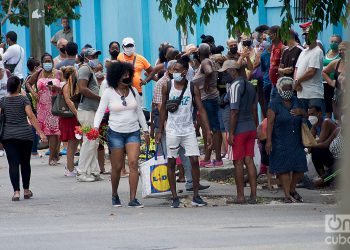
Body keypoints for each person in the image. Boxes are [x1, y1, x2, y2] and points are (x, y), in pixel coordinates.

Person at [156, 56, 213, 208]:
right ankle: (174, 197)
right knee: (172, 162)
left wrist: (208, 131)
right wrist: (159, 130)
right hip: (173, 130)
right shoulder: (167, 86)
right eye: (173, 70)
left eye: (178, 70)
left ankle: (196, 195)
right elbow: (162, 111)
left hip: (188, 129)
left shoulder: (192, 87)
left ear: (185, 71)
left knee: (194, 161)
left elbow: (201, 109)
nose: (175, 72)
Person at [94, 61, 149, 207]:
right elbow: (100, 111)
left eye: (128, 74)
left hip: (133, 132)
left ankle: (132, 198)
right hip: (115, 133)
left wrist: (146, 130)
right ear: (115, 76)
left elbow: (139, 112)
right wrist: (95, 127)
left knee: (133, 163)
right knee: (117, 167)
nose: (126, 77)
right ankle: (114, 194)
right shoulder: (108, 92)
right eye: (123, 74)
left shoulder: (133, 91)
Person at [1, 76, 47, 201]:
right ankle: (26, 191)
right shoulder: (24, 99)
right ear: (18, 87)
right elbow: (31, 116)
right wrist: (41, 133)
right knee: (25, 163)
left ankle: (16, 192)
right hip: (25, 135)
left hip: (8, 136)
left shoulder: (3, 101)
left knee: (13, 164)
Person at [219, 60, 258, 204]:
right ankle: (253, 196)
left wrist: (231, 133)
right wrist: (256, 127)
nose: (224, 75)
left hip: (239, 129)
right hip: (250, 128)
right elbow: (254, 109)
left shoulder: (236, 86)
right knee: (249, 161)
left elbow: (234, 112)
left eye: (225, 72)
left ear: (233, 71)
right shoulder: (249, 85)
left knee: (238, 162)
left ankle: (240, 196)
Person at [266, 77, 308, 203]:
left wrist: (301, 112)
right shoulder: (274, 103)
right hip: (280, 139)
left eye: (290, 89)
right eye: (285, 89)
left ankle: (291, 189)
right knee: (284, 168)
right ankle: (286, 195)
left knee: (300, 167)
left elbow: (306, 117)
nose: (288, 91)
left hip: (296, 140)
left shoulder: (297, 102)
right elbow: (270, 123)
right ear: (279, 89)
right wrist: (269, 141)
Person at [27, 53, 63, 166]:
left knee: (55, 132)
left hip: (55, 106)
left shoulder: (58, 73)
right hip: (42, 107)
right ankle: (55, 154)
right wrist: (33, 93)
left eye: (50, 61)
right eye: (46, 61)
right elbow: (27, 83)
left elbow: (65, 86)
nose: (48, 63)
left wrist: (57, 88)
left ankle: (52, 157)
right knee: (49, 132)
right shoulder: (38, 73)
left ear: (52, 62)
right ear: (42, 63)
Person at [192, 43, 223, 168]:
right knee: (211, 129)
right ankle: (208, 157)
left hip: (208, 99)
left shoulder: (205, 62)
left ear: (199, 54)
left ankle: (217, 158)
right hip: (211, 99)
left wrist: (206, 83)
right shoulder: (209, 61)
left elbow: (209, 72)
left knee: (213, 129)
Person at [76, 48, 102, 182]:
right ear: (86, 57)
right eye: (92, 56)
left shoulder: (90, 70)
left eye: (96, 55)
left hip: (91, 111)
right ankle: (81, 172)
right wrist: (99, 98)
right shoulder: (85, 69)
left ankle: (93, 171)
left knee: (93, 140)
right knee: (90, 140)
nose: (95, 58)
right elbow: (82, 88)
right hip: (86, 111)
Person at [294, 22, 325, 113]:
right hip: (301, 93)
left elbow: (311, 72)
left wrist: (297, 81)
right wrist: (296, 82)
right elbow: (297, 68)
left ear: (315, 36)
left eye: (309, 35)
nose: (307, 37)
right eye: (305, 35)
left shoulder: (317, 51)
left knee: (314, 121)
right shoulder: (304, 51)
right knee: (304, 123)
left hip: (313, 94)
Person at [59, 66, 80, 177]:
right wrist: (77, 114)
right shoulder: (67, 86)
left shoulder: (72, 86)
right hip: (70, 117)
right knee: (72, 143)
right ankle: (70, 169)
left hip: (72, 117)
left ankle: (70, 167)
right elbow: (69, 101)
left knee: (74, 142)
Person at [322, 41, 347, 120]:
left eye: (344, 49)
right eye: (340, 50)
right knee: (338, 121)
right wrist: (331, 82)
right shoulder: (336, 63)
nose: (341, 52)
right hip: (338, 97)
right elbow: (324, 72)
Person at [23, 58, 41, 158]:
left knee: (33, 125)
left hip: (29, 103)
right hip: (33, 104)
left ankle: (32, 148)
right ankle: (34, 150)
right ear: (35, 68)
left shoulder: (27, 77)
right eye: (39, 67)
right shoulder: (33, 78)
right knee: (34, 126)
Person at [268, 26, 286, 99]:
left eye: (270, 34)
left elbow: (283, 66)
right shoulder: (272, 47)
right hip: (273, 83)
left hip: (279, 84)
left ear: (275, 35)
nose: (268, 36)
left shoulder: (282, 48)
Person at [260, 39, 272, 112]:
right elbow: (263, 69)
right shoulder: (263, 55)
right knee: (267, 104)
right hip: (267, 82)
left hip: (276, 82)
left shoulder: (278, 51)